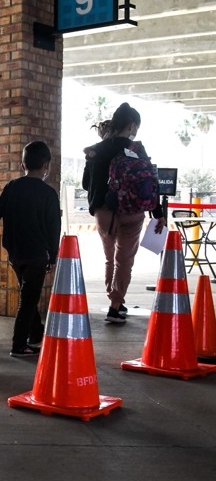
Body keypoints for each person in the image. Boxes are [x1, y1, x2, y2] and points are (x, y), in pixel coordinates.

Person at [82, 102, 165, 324]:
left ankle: (114, 297)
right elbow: (149, 182)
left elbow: (85, 183)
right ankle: (115, 305)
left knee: (109, 258)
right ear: (131, 125)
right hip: (133, 211)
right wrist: (158, 213)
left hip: (105, 212)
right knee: (125, 260)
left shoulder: (95, 150)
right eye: (136, 126)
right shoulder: (137, 149)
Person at [0, 141, 61, 357]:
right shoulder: (48, 194)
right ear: (47, 165)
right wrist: (53, 256)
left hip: (15, 253)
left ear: (22, 163)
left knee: (28, 294)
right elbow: (53, 228)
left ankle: (36, 336)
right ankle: (19, 345)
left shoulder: (12, 187)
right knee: (28, 299)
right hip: (37, 255)